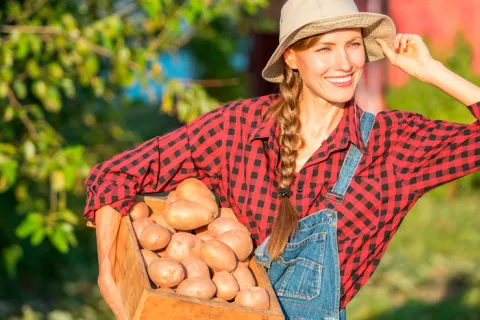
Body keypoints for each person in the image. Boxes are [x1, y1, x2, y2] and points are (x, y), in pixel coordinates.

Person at [84, 0, 480, 319]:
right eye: (324, 48)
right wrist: (108, 273)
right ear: (291, 58)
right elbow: (115, 175)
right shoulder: (238, 127)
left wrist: (432, 71)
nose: (344, 64)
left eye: (353, 44)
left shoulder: (393, 145)